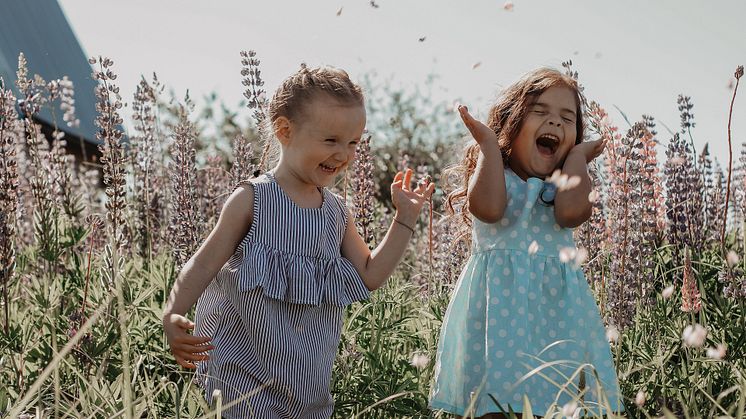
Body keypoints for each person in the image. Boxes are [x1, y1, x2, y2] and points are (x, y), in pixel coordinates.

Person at [162, 64, 435, 418]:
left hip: (306, 380)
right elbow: (204, 262)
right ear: (285, 131)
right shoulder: (254, 200)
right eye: (331, 140)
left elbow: (370, 274)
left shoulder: (337, 213)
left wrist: (404, 219)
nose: (344, 154)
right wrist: (173, 312)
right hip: (239, 368)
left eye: (353, 142)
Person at [430, 68, 623, 417]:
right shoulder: (496, 177)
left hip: (558, 322)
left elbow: (571, 214)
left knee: (557, 405)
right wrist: (489, 146)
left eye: (568, 118)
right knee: (494, 407)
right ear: (511, 122)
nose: (556, 122)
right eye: (541, 112)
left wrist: (578, 159)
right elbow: (488, 208)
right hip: (497, 324)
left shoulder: (562, 187)